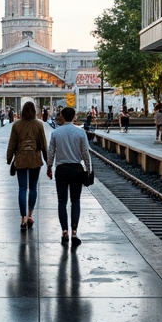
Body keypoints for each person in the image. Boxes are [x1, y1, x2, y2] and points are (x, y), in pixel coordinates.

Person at [46, 106, 93, 247]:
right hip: (76, 169)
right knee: (76, 201)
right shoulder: (80, 133)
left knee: (61, 201)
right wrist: (88, 168)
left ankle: (64, 232)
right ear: (74, 117)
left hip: (61, 169)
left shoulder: (56, 133)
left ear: (62, 116)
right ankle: (74, 232)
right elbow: (85, 152)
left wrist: (49, 167)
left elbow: (51, 152)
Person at [6, 100, 47, 229]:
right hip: (35, 159)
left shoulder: (16, 125)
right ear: (34, 111)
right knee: (33, 187)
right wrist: (48, 161)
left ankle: (22, 218)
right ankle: (30, 215)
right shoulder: (39, 125)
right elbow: (43, 144)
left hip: (21, 159)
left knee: (22, 188)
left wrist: (9, 158)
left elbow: (12, 143)